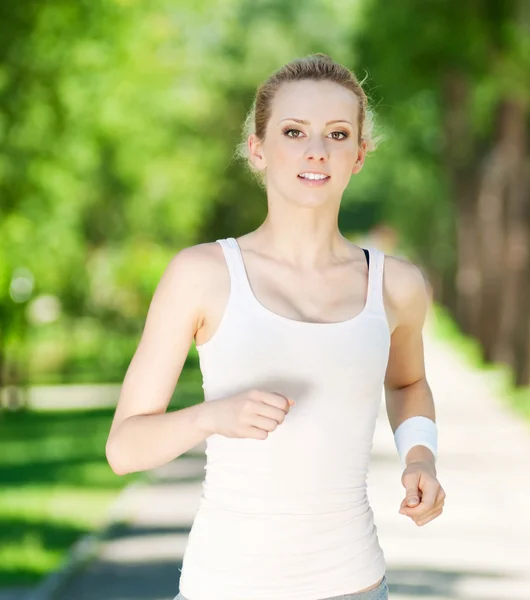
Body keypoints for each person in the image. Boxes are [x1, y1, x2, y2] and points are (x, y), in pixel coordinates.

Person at [105, 53, 445, 600]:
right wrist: (212, 416)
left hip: (354, 582)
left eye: (337, 134)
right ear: (257, 148)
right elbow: (124, 449)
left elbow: (407, 382)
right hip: (225, 584)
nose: (316, 151)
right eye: (294, 131)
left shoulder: (396, 285)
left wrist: (421, 455)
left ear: (359, 155)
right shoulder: (201, 276)